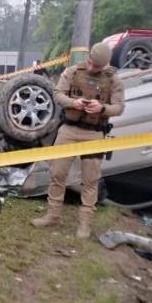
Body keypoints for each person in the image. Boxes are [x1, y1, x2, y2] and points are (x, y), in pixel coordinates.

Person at [31, 42, 125, 239]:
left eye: (96, 67)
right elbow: (57, 95)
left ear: (105, 64)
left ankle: (85, 224)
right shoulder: (73, 72)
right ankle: (52, 215)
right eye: (90, 62)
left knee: (90, 180)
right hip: (68, 130)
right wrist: (73, 103)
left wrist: (102, 108)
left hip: (94, 133)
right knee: (57, 173)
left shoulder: (114, 80)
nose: (91, 68)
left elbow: (119, 107)